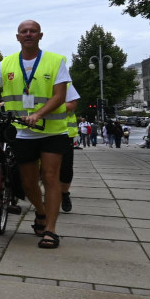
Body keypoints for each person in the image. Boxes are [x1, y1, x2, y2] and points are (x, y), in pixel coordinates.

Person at [0, 20, 69, 250]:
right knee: (27, 182)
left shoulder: (56, 61)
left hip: (51, 130)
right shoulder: (6, 64)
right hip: (21, 132)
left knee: (50, 176)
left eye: (32, 31)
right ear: (17, 37)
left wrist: (38, 114)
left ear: (40, 35)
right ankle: (41, 211)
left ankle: (51, 230)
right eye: (24, 31)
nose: (28, 34)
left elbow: (59, 96)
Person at [60, 84, 81, 212]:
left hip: (65, 132)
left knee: (66, 168)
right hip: (40, 131)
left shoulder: (65, 84)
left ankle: (64, 193)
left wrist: (48, 108)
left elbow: (73, 104)